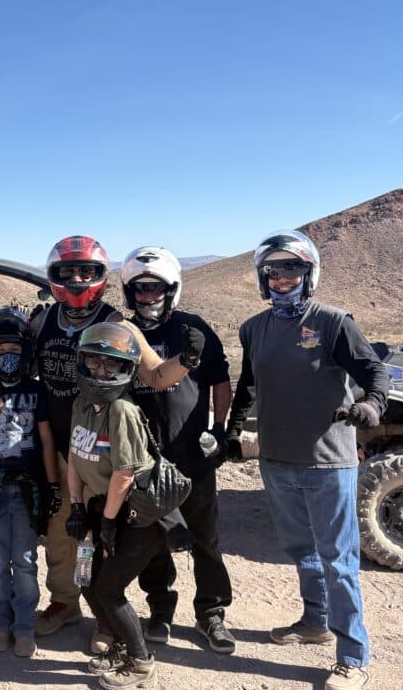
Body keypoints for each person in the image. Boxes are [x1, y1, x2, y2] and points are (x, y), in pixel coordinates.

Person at [226, 230, 388, 690]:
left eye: (291, 268)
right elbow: (249, 387)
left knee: (339, 559)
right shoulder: (253, 328)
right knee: (302, 551)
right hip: (276, 459)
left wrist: (372, 405)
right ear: (262, 278)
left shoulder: (334, 322)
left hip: (328, 461)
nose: (281, 278)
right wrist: (233, 432)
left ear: (309, 273)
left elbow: (374, 371)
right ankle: (315, 622)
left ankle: (353, 657)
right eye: (273, 271)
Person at [33, 235, 204, 651]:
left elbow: (157, 376)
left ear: (101, 276)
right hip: (63, 444)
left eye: (86, 271)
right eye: (67, 272)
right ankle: (64, 602)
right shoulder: (40, 322)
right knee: (62, 532)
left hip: (109, 452)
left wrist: (187, 359)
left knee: (104, 536)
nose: (76, 279)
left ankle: (106, 620)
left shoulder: (119, 324)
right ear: (53, 276)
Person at [119, 246, 237, 653]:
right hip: (145, 456)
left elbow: (220, 381)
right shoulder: (124, 332)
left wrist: (219, 429)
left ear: (172, 289)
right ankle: (160, 609)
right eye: (140, 290)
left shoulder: (194, 328)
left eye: (155, 289)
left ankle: (211, 613)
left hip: (192, 453)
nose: (147, 296)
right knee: (152, 537)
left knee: (206, 537)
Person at [64, 322, 162, 689]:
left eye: (111, 365)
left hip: (134, 515)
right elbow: (75, 456)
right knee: (86, 579)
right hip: (98, 506)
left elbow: (124, 473)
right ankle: (121, 646)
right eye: (93, 362)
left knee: (108, 588)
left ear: (125, 369)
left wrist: (106, 526)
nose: (100, 372)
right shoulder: (83, 403)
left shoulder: (121, 409)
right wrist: (76, 506)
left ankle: (140, 662)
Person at [0, 307, 60, 658]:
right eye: (0, 350)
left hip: (29, 491)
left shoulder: (38, 392)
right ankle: (0, 623)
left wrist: (53, 486)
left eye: (15, 350)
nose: (8, 356)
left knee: (27, 561)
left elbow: (46, 440)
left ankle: (24, 626)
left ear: (27, 353)